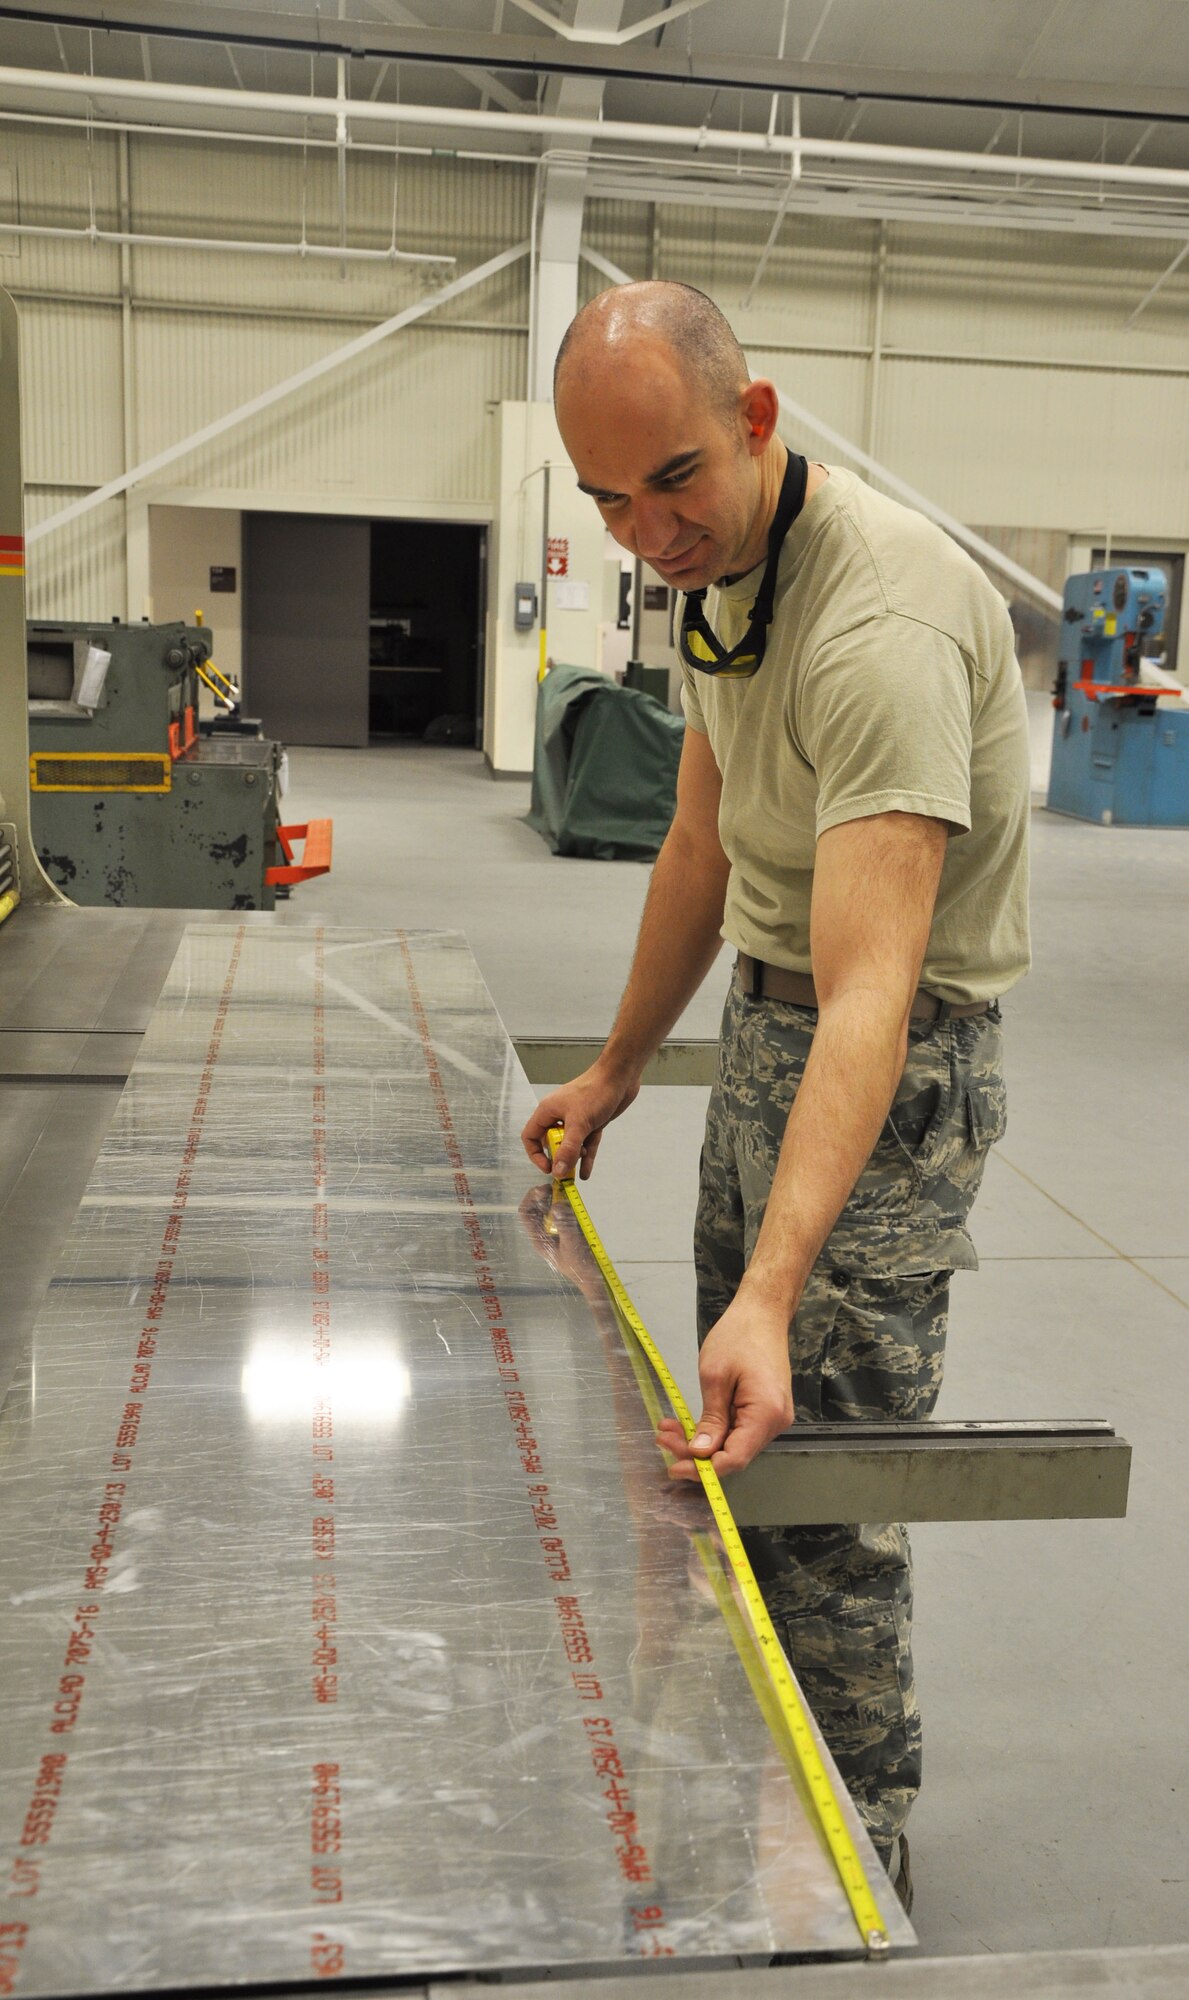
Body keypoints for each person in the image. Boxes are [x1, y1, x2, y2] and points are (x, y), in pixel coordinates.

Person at [521, 280, 1031, 1900]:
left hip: (888, 1064)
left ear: (756, 420)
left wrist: (778, 1274)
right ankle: (763, 1754)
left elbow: (874, 987)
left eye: (668, 479)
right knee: (738, 1441)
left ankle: (848, 1842)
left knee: (825, 1485)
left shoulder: (875, 620)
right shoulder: (713, 576)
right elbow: (699, 840)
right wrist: (611, 1070)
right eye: (604, 498)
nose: (642, 531)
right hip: (765, 1038)